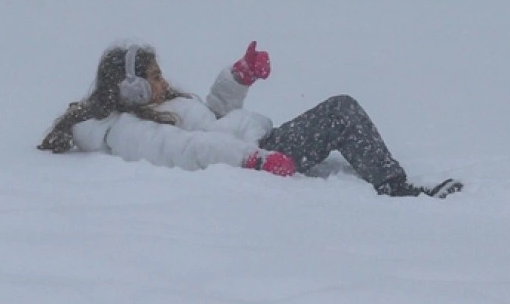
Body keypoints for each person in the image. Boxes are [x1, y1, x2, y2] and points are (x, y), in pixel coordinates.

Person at [38, 41, 463, 198]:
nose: (163, 81)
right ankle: (395, 186)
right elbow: (189, 150)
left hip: (259, 142)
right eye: (153, 77)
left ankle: (388, 178)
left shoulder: (159, 108)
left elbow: (213, 119)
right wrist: (252, 160)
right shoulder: (127, 131)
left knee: (340, 112)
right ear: (129, 88)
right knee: (342, 110)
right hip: (260, 152)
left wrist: (237, 78)